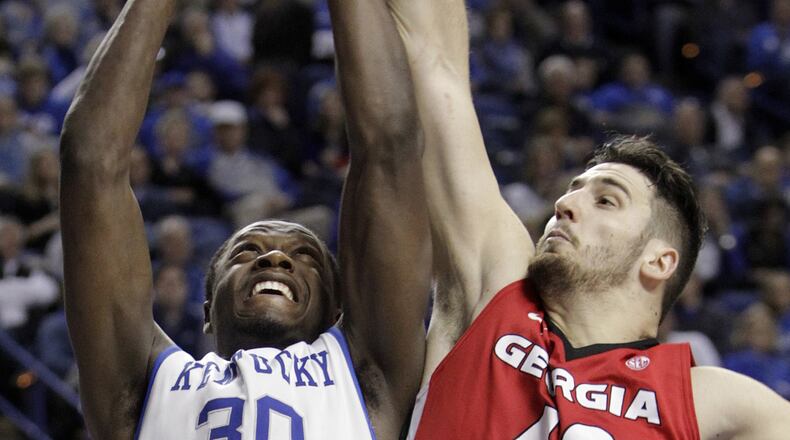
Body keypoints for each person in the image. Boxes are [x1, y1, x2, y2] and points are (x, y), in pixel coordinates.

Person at [376, 0, 790, 438]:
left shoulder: (705, 398)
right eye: (572, 190)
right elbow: (438, 69)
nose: (564, 205)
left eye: (607, 201)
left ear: (659, 261)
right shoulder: (495, 289)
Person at [58, 0, 429, 439]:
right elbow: (90, 164)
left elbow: (390, 145)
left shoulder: (369, 377)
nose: (274, 258)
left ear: (337, 311)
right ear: (208, 310)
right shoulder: (141, 388)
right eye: (247, 251)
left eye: (305, 256)